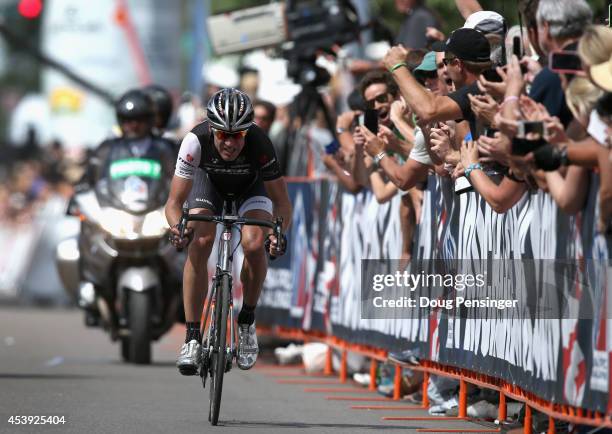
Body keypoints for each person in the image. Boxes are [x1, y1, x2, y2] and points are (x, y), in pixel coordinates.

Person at [164, 88, 293, 374]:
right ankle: (192, 337)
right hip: (208, 185)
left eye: (237, 136)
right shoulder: (194, 140)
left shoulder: (260, 142)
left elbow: (282, 203)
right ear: (212, 129)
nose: (230, 143)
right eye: (223, 135)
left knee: (253, 241)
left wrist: (278, 233)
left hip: (250, 188)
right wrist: (177, 228)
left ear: (247, 132)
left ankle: (246, 320)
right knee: (201, 241)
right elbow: (173, 203)